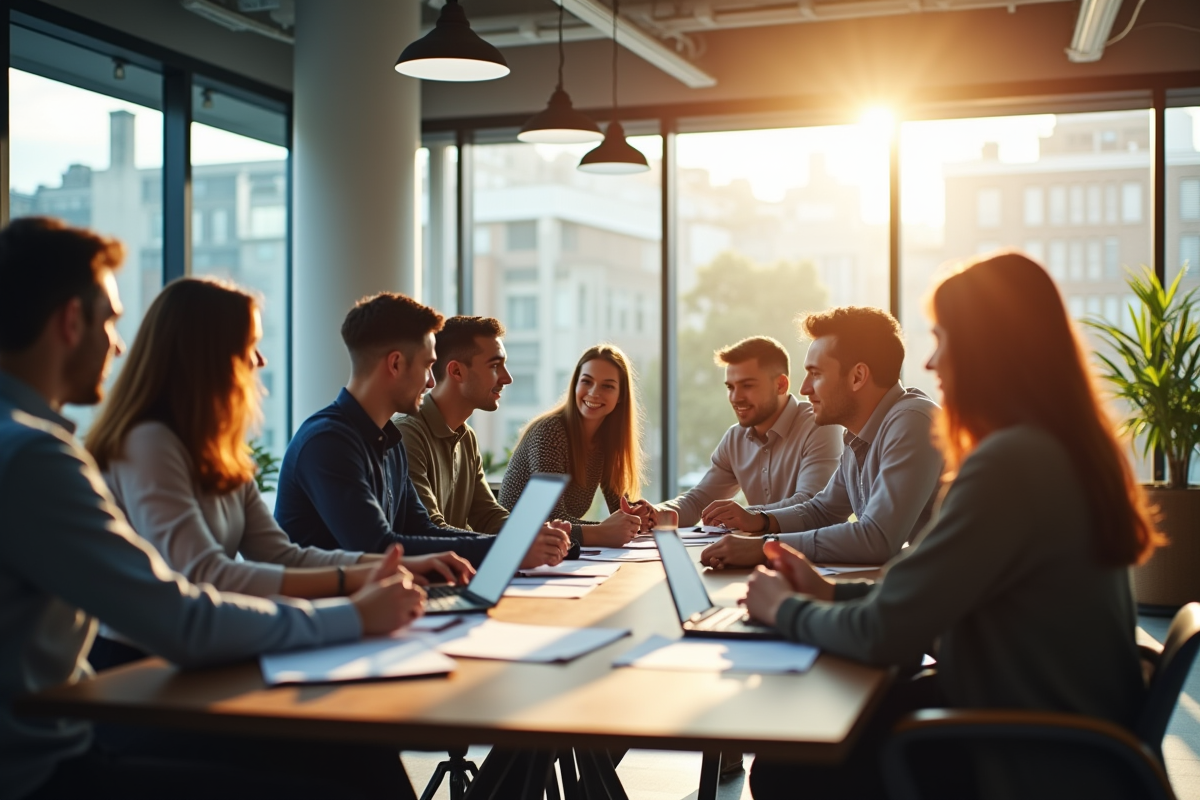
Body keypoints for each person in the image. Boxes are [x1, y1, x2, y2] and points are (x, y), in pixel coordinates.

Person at [0, 217, 426, 800]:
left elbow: (272, 551)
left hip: (81, 722)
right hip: (54, 760)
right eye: (109, 321)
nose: (117, 344)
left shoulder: (37, 446)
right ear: (71, 321)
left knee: (352, 754)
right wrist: (354, 612)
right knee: (344, 767)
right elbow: (184, 610)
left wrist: (361, 579)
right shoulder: (37, 457)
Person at [742, 251, 1161, 800]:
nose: (932, 363)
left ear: (988, 351)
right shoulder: (1060, 448)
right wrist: (829, 592)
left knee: (785, 770)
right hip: (1052, 725)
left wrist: (783, 609)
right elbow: (930, 601)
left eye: (943, 340)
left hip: (1027, 754)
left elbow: (885, 634)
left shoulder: (1011, 463)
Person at [85, 278, 473, 670]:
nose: (260, 361)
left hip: (201, 652)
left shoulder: (218, 450)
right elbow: (204, 574)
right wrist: (354, 588)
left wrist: (382, 568)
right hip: (140, 668)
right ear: (208, 354)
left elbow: (279, 554)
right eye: (250, 345)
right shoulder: (149, 441)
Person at [275, 292, 569, 569]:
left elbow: (423, 530)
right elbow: (378, 548)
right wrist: (510, 549)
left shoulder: (389, 441)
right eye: (429, 366)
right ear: (396, 364)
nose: (431, 382)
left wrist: (515, 543)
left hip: (377, 605)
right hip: (325, 615)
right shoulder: (328, 443)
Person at [700, 306, 943, 566]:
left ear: (858, 376)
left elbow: (878, 539)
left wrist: (766, 548)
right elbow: (823, 510)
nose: (804, 389)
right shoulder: (859, 435)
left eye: (815, 374)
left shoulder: (913, 421)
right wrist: (760, 519)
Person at [650, 335, 842, 528]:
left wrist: (746, 515)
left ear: (781, 385)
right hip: (756, 552)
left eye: (747, 386)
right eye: (730, 387)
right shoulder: (735, 439)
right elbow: (698, 502)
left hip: (812, 555)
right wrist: (652, 514)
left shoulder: (820, 426)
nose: (735, 398)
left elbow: (810, 504)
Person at [499, 344, 650, 548]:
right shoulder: (550, 431)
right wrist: (606, 530)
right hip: (514, 548)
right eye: (587, 382)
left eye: (607, 386)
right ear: (575, 385)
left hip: (551, 551)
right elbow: (550, 518)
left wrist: (637, 517)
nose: (594, 393)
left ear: (621, 395)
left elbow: (620, 508)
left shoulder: (607, 440)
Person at [394, 315, 515, 533]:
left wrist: (533, 533)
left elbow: (487, 515)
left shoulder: (466, 436)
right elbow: (429, 529)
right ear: (457, 371)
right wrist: (514, 543)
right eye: (495, 366)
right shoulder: (407, 433)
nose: (507, 378)